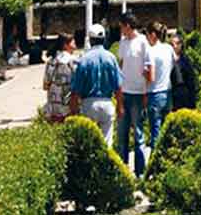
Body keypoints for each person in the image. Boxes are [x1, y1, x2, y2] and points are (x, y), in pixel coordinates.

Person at [69, 24, 121, 144]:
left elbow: (76, 88)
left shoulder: (84, 59)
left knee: (90, 142)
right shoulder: (111, 58)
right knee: (107, 143)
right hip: (107, 103)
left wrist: (74, 108)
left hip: (88, 104)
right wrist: (120, 106)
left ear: (90, 40)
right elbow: (118, 86)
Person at [115, 12, 153, 176]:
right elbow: (121, 64)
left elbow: (148, 66)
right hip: (124, 93)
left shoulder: (143, 42)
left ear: (128, 26)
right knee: (122, 135)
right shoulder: (123, 43)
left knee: (138, 133)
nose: (121, 29)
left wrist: (146, 91)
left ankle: (139, 171)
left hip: (138, 93)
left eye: (122, 26)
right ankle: (123, 170)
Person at [145, 22, 174, 149]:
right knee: (167, 131)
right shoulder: (168, 49)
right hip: (167, 92)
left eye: (147, 35)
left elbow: (149, 77)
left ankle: (155, 163)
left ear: (152, 35)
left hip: (154, 93)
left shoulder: (150, 52)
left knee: (155, 133)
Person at [42, 33, 77, 122]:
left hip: (53, 105)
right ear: (66, 45)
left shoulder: (51, 61)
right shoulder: (73, 60)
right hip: (68, 104)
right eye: (73, 42)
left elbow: (45, 85)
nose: (75, 44)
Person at [169, 33, 197, 110]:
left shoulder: (186, 60)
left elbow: (191, 80)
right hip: (172, 93)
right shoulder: (167, 60)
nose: (175, 46)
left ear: (181, 45)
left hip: (185, 92)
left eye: (177, 43)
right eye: (172, 44)